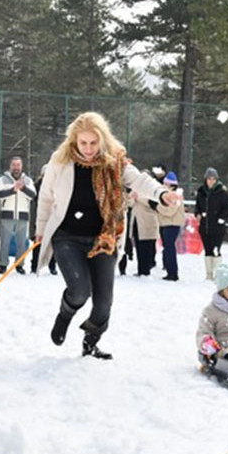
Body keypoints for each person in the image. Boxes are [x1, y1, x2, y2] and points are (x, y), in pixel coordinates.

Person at [34, 111, 179, 359]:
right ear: (74, 141)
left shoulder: (115, 163)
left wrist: (161, 193)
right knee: (80, 290)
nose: (89, 149)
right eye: (83, 143)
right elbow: (47, 197)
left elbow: (140, 181)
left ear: (102, 140)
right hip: (67, 236)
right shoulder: (61, 160)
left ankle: (90, 343)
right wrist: (39, 231)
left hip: (103, 238)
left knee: (103, 305)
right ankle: (65, 314)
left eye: (93, 143)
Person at [0, 156, 36, 274]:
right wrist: (13, 189)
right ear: (10, 166)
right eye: (14, 165)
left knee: (22, 242)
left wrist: (22, 188)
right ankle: (2, 264)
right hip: (7, 214)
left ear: (21, 166)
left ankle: (20, 264)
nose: (16, 167)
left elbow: (33, 195)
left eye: (18, 165)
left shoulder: (27, 180)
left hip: (23, 214)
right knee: (5, 242)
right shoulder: (3, 179)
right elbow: (0, 194)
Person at [195, 166, 228, 280]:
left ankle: (217, 274)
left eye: (213, 179)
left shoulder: (221, 192)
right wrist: (198, 214)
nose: (211, 181)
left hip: (217, 228)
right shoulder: (201, 192)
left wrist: (221, 218)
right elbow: (198, 206)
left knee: (216, 250)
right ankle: (209, 274)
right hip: (205, 227)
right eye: (209, 178)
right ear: (205, 179)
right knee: (207, 250)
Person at [155, 172, 185, 281]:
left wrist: (157, 207)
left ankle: (172, 272)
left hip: (172, 224)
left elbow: (170, 211)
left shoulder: (176, 195)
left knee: (169, 248)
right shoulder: (169, 194)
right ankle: (169, 270)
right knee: (167, 248)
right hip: (165, 224)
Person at [129, 183, 160, 276]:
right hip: (136, 222)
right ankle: (140, 269)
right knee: (138, 247)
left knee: (146, 247)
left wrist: (139, 198)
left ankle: (146, 270)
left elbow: (153, 203)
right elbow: (129, 203)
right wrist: (132, 197)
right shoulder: (135, 190)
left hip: (147, 222)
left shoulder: (152, 191)